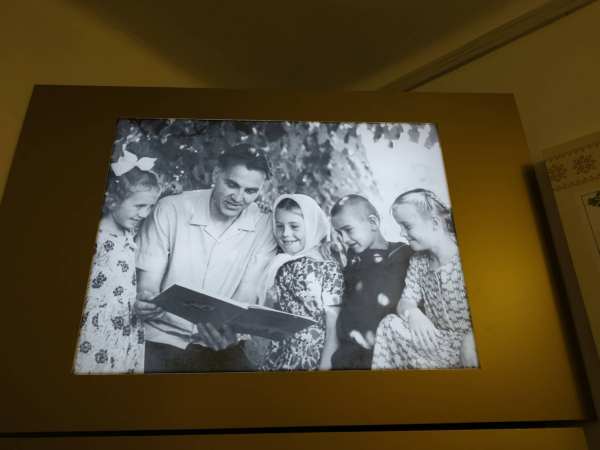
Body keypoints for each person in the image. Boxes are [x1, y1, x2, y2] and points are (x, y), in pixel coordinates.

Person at [135, 144, 277, 373]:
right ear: (216, 174)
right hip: (162, 336)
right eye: (232, 184)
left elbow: (247, 291)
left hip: (221, 342)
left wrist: (230, 328)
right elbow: (148, 282)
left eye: (250, 191)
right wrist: (146, 299)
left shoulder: (264, 227)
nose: (238, 198)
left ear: (261, 189)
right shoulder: (171, 208)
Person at [371, 189, 478, 370]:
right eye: (400, 227)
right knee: (389, 323)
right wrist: (412, 313)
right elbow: (406, 301)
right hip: (437, 342)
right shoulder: (419, 261)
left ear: (435, 223)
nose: (402, 233)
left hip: (473, 345)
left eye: (407, 226)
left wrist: (472, 336)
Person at [74, 153, 161, 374]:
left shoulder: (128, 235)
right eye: (139, 205)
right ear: (113, 199)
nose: (145, 213)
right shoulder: (98, 237)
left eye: (150, 206)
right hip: (95, 329)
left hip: (125, 327)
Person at [259, 194, 343, 371]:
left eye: (294, 226)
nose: (285, 233)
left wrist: (325, 369)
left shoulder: (327, 266)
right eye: (279, 226)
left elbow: (333, 325)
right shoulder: (282, 261)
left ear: (312, 226)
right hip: (279, 353)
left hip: (310, 358)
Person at [329, 194, 413, 370]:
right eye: (339, 233)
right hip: (346, 357)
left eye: (348, 230)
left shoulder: (403, 255)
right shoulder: (351, 262)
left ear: (373, 222)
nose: (344, 239)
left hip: (384, 356)